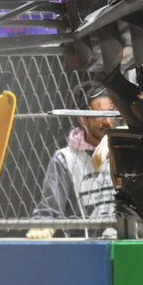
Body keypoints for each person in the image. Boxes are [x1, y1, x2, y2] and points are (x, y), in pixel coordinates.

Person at [28, 84, 118, 239]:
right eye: (100, 115)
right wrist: (43, 224)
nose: (108, 121)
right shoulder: (65, 159)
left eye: (111, 113)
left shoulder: (123, 150)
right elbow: (50, 207)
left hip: (128, 241)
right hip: (88, 247)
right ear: (82, 119)